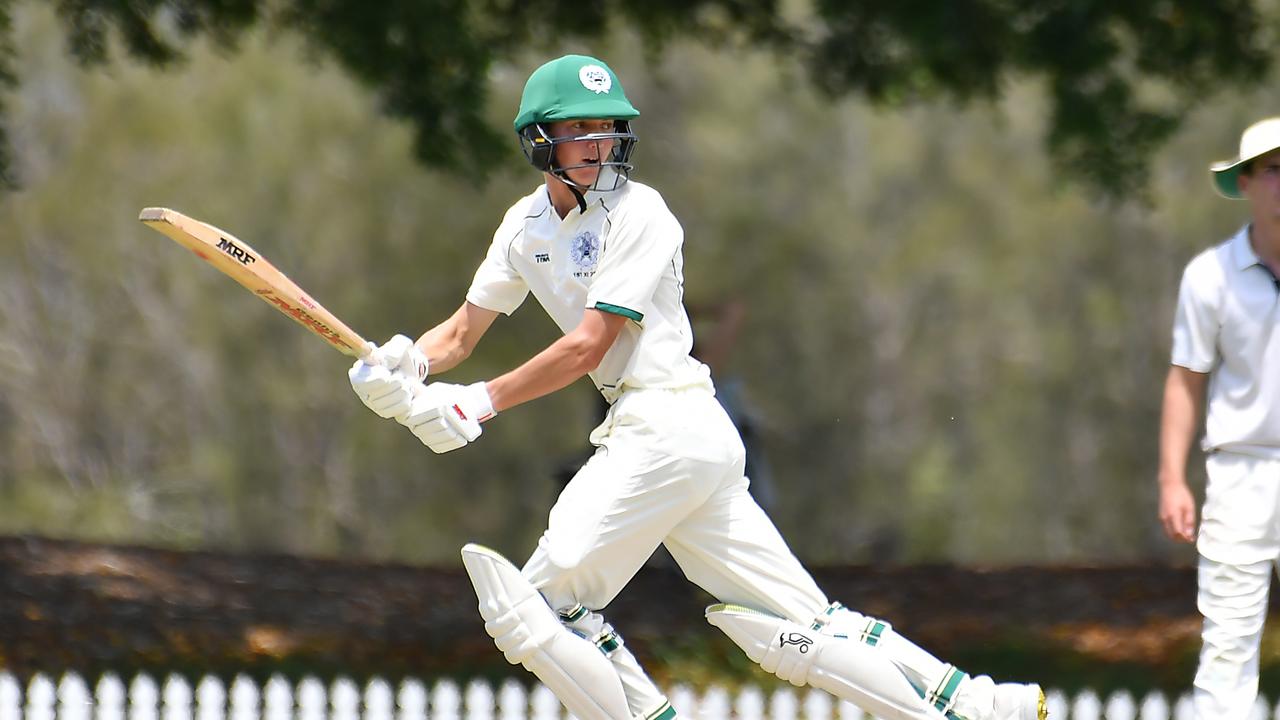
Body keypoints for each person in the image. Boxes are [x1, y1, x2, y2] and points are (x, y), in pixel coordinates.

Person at [347, 54, 1046, 720]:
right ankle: (975, 702)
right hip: (681, 441)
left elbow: (590, 344)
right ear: (540, 141)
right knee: (802, 626)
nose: (600, 147)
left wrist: (480, 400)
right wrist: (405, 363)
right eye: (580, 134)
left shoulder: (639, 211)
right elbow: (462, 334)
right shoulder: (524, 225)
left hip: (664, 428)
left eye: (610, 131)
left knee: (536, 606)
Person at [1158, 116, 1280, 719]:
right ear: (1249, 183)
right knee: (1228, 647)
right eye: (1275, 171)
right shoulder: (1210, 277)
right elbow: (1186, 379)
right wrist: (1172, 480)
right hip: (1239, 474)